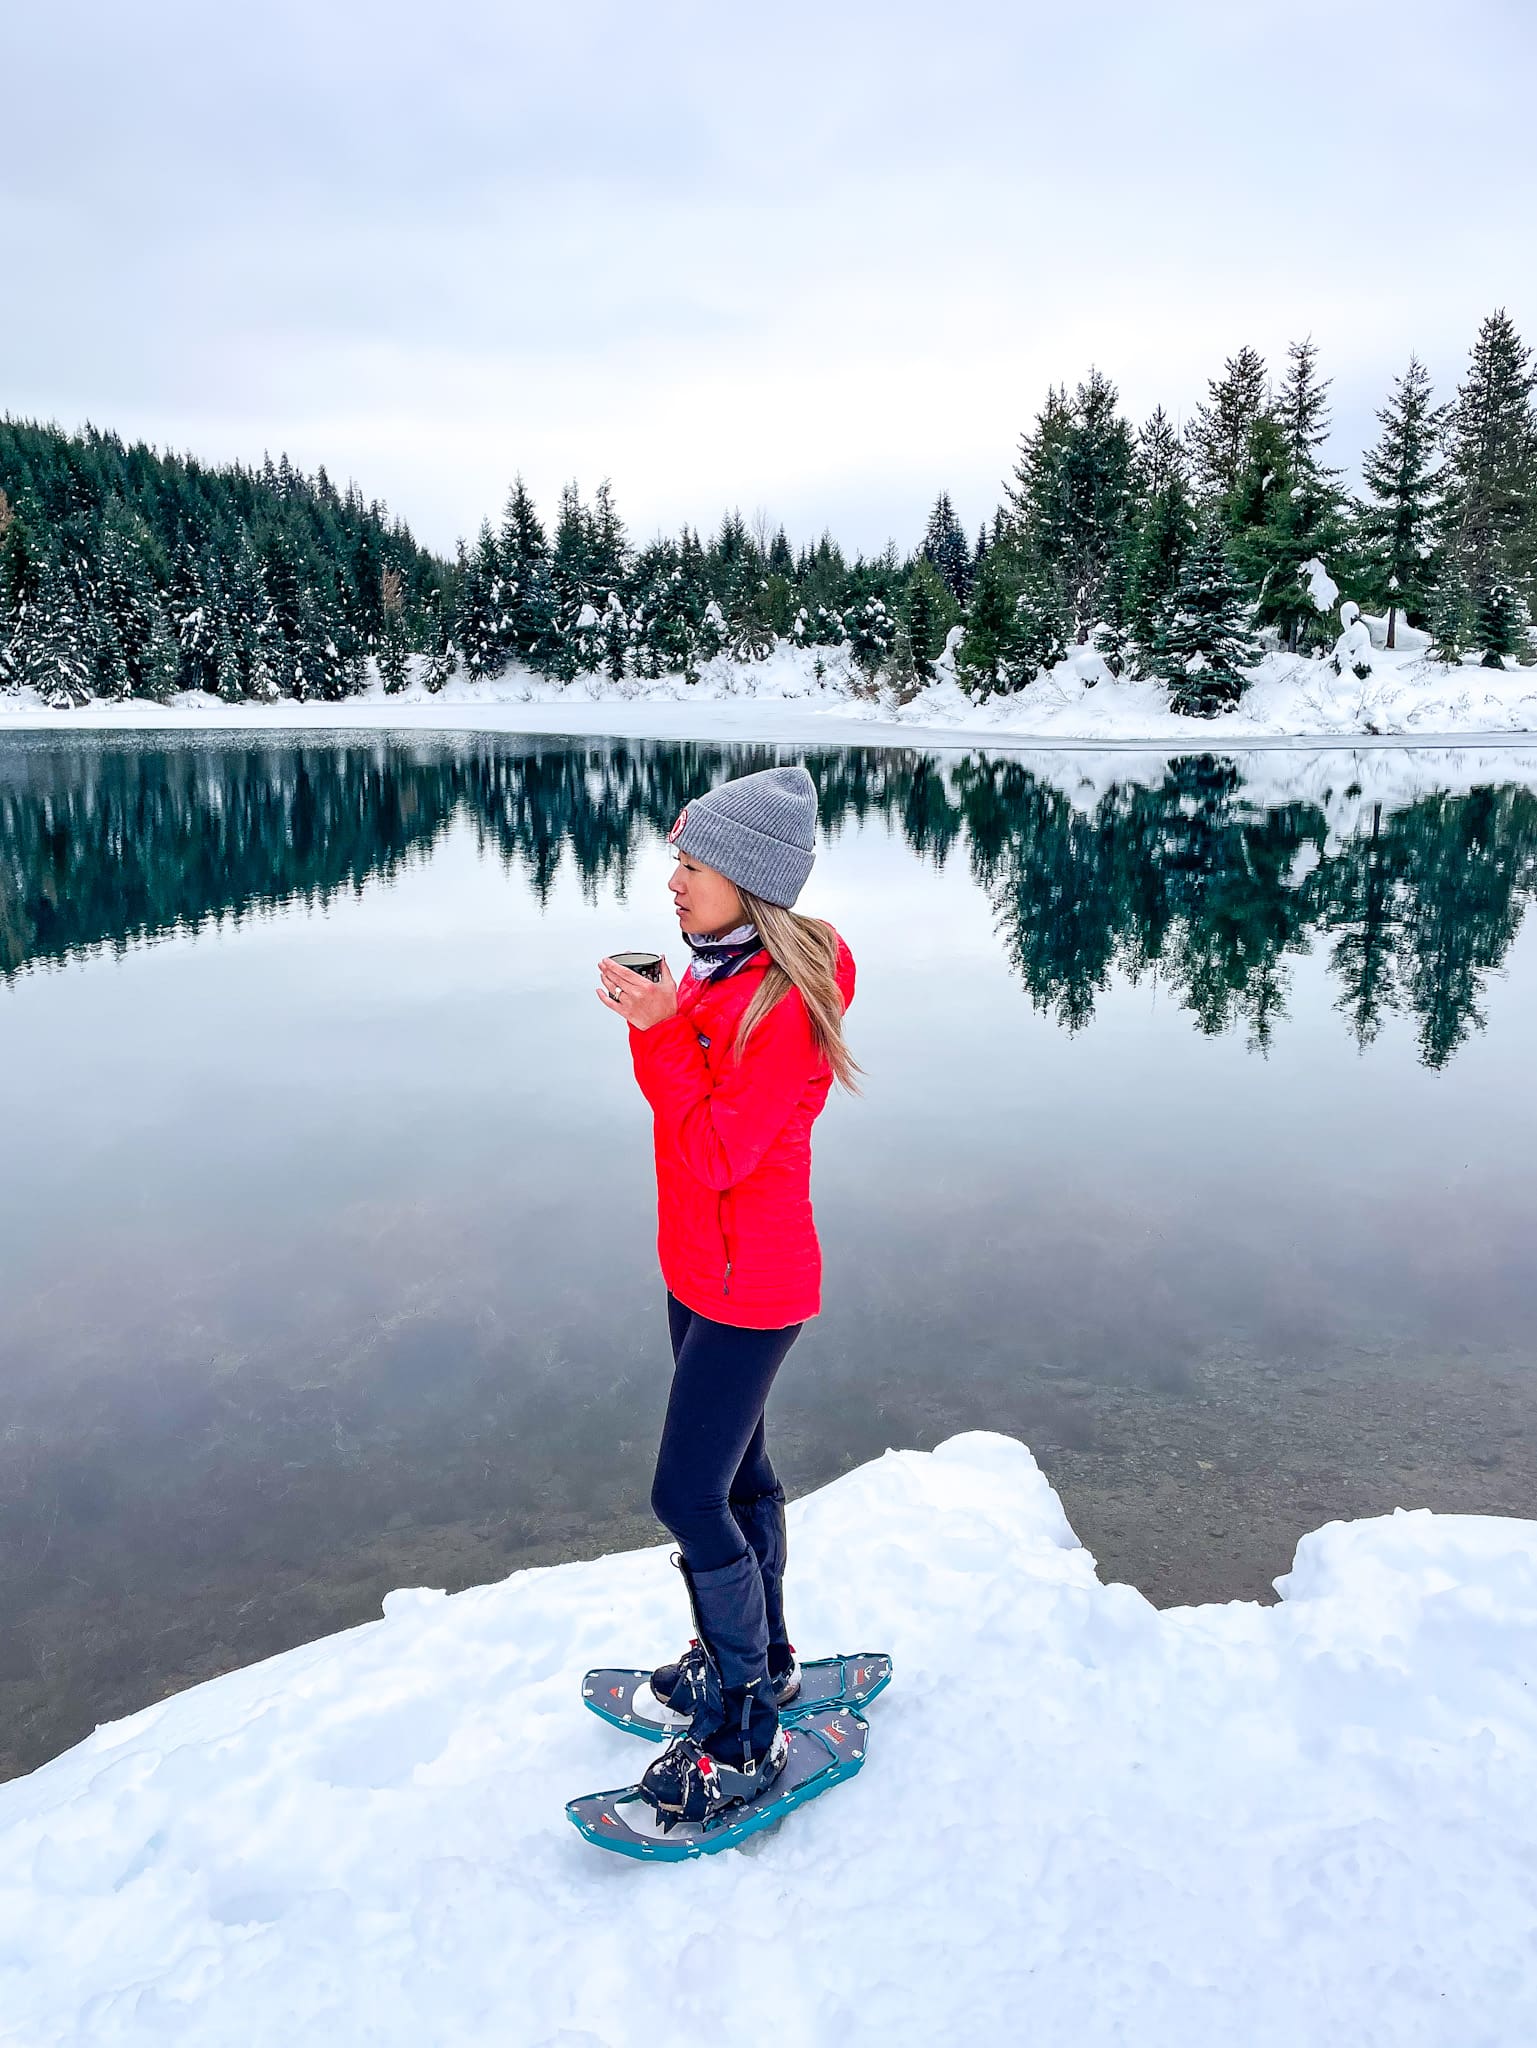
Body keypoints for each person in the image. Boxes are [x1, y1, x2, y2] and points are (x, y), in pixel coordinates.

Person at [595, 762, 861, 1826]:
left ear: (747, 880)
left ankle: (744, 1729)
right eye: (676, 859)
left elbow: (711, 1151)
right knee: (741, 1476)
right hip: (698, 1273)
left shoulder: (780, 1001)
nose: (672, 881)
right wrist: (668, 1013)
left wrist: (659, 1029)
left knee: (687, 1494)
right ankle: (766, 1657)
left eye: (691, 864)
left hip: (755, 1286)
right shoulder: (716, 969)